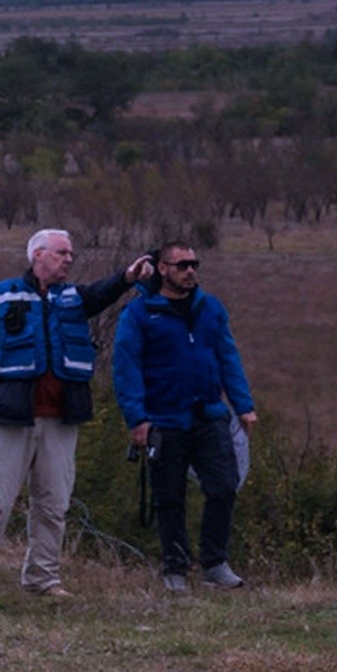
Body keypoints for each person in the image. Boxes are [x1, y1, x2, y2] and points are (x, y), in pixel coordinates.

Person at [0, 228, 152, 603]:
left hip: (61, 417)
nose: (68, 259)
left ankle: (43, 577)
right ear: (38, 255)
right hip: (11, 416)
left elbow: (100, 294)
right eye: (62, 253)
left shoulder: (73, 298)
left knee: (54, 503)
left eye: (70, 253)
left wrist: (127, 277)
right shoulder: (3, 293)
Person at [114, 236, 258, 592]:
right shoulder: (139, 312)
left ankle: (215, 563)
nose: (190, 271)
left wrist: (244, 406)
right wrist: (137, 418)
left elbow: (228, 357)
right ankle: (175, 568)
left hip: (209, 415)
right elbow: (126, 366)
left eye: (194, 265)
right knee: (170, 497)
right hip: (163, 420)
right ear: (162, 269)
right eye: (182, 265)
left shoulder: (210, 308)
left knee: (223, 487)